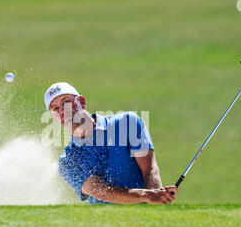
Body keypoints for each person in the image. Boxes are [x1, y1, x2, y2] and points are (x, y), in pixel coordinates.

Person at [44, 82, 178, 205]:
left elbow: (149, 170)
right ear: (53, 119)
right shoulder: (67, 162)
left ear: (82, 102)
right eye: (55, 108)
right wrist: (147, 195)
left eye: (66, 102)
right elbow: (99, 190)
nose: (62, 110)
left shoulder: (127, 122)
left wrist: (157, 200)